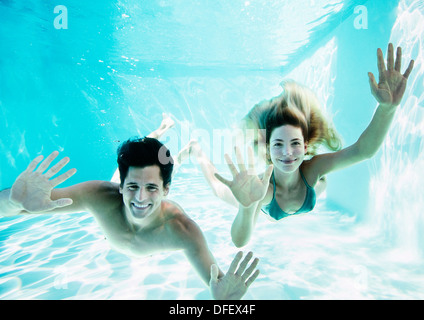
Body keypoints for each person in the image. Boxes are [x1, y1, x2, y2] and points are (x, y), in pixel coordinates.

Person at [199, 43, 414, 248]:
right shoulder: (263, 190)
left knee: (319, 181)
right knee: (220, 191)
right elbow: (240, 241)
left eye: (295, 143)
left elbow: (363, 151)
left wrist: (387, 109)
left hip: (301, 193)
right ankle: (196, 151)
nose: (287, 153)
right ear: (268, 150)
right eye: (278, 144)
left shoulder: (313, 169)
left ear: (305, 146)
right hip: (269, 209)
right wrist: (246, 208)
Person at [0, 137, 260, 300]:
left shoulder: (182, 231)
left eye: (152, 188)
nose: (141, 198)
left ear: (166, 191)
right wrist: (13, 200)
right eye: (133, 186)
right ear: (122, 186)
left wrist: (225, 303)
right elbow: (18, 209)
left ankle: (193, 151)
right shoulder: (99, 196)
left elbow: (218, 286)